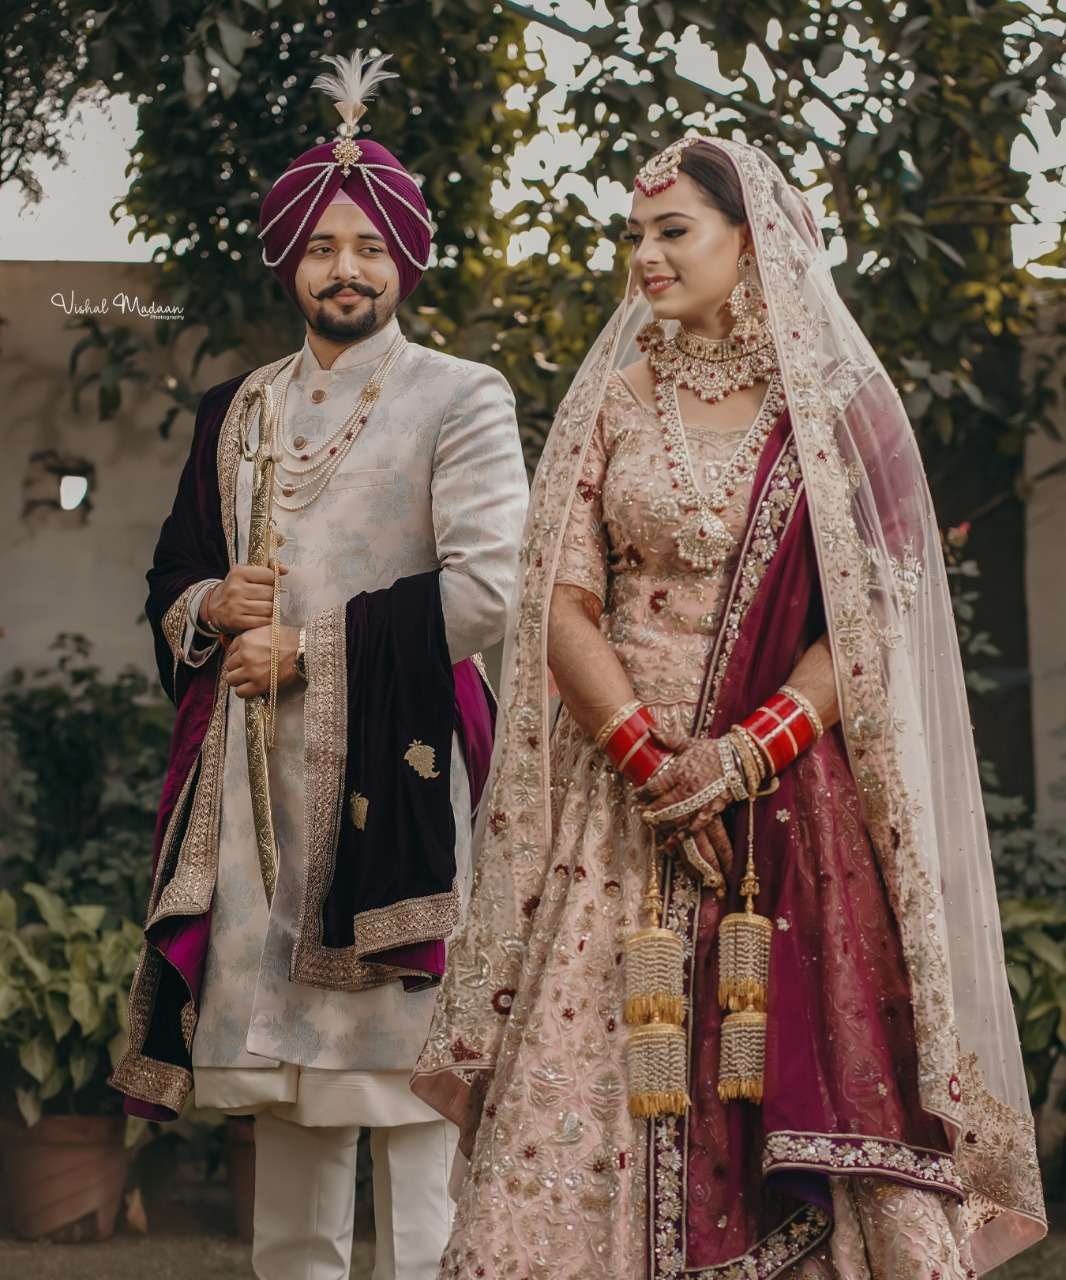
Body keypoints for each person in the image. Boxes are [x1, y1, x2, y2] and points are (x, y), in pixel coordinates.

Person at [411, 136, 1046, 1278]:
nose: (646, 257)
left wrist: (742, 756)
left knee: (784, 1071)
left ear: (749, 241)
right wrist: (652, 762)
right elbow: (559, 599)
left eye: (674, 231)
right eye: (636, 235)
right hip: (621, 795)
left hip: (783, 806)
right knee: (587, 1083)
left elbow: (873, 619)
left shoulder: (835, 417)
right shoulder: (612, 403)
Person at [110, 49, 528, 1280]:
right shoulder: (235, 410)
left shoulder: (461, 396)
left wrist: (308, 644)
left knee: (412, 1109)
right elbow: (173, 576)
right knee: (287, 1104)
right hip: (255, 801)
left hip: (401, 783)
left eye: (370, 247)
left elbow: (491, 589)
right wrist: (210, 603)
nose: (346, 268)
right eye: (322, 246)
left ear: (406, 260)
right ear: (288, 258)